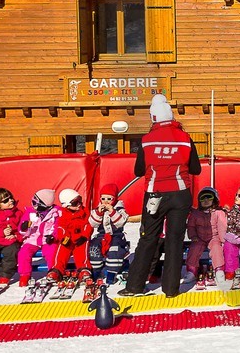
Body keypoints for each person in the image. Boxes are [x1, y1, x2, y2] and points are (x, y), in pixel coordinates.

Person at [120, 93, 202, 298]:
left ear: (153, 117)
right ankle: (171, 288)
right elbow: (196, 168)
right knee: (175, 239)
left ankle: (135, 286)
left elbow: (139, 171)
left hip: (155, 195)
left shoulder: (147, 141)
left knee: (148, 238)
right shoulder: (185, 138)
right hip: (181, 194)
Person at [183, 188, 228, 285]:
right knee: (194, 248)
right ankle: (192, 270)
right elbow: (191, 226)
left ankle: (219, 269)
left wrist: (223, 239)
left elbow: (222, 226)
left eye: (209, 198)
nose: (206, 201)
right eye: (203, 199)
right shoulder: (195, 214)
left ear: (215, 199)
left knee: (216, 248)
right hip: (199, 237)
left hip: (214, 237)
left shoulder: (218, 213)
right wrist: (193, 235)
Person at [17, 188, 60, 287]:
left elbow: (58, 227)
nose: (33, 205)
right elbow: (22, 229)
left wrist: (53, 236)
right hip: (33, 239)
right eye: (33, 201)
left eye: (36, 203)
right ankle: (24, 275)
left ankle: (52, 273)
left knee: (51, 252)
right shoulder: (30, 212)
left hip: (47, 239)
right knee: (23, 253)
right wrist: (24, 228)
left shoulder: (55, 213)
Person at [88, 184, 130, 285]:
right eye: (103, 198)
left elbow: (120, 222)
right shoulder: (97, 209)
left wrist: (112, 212)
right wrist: (98, 213)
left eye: (109, 199)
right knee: (94, 248)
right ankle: (96, 270)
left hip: (116, 235)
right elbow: (92, 223)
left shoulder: (120, 209)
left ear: (115, 199)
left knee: (115, 250)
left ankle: (112, 273)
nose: (106, 202)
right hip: (102, 235)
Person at [49, 188, 93, 286]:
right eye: (75, 203)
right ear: (67, 205)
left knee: (81, 249)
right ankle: (57, 270)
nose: (79, 204)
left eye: (80, 200)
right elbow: (61, 227)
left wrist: (85, 236)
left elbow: (88, 224)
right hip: (68, 237)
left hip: (80, 237)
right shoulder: (63, 213)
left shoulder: (84, 211)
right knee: (62, 249)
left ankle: (84, 269)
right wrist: (64, 237)